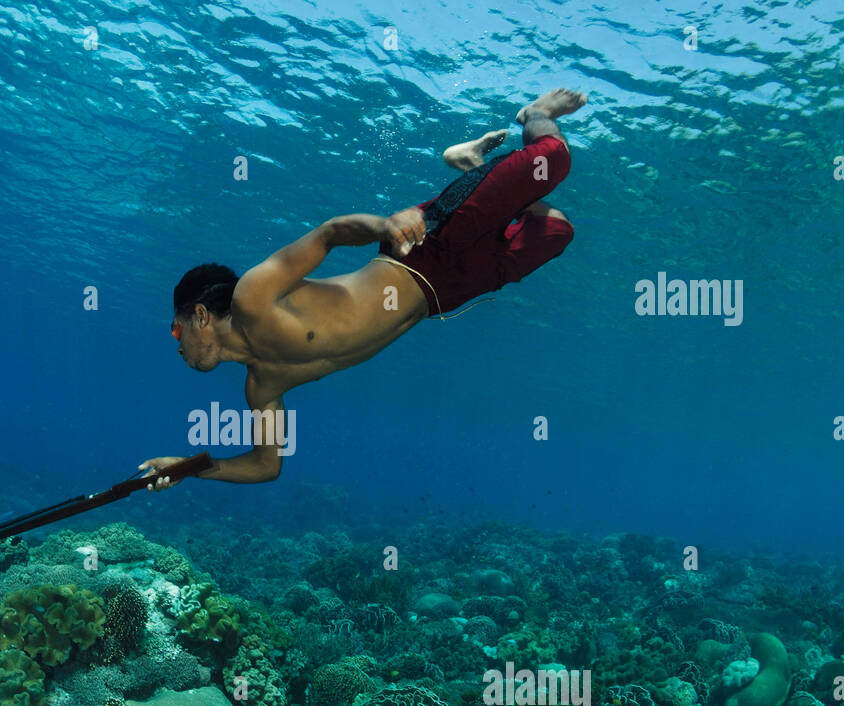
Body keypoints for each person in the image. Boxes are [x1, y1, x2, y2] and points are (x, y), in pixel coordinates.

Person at [140, 88, 587, 489]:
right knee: (556, 230)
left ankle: (534, 113)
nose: (177, 348)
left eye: (176, 331)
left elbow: (330, 233)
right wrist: (189, 468)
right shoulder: (261, 388)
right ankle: (472, 164)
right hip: (444, 293)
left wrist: (386, 226)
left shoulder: (252, 296)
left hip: (422, 248)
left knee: (553, 157)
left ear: (200, 314)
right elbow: (265, 466)